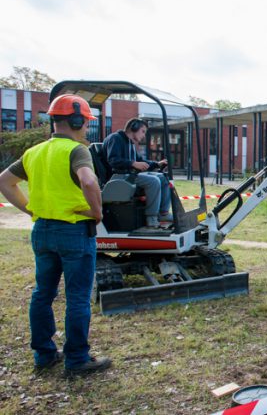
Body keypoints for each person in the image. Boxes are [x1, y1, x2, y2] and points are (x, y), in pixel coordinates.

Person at [0, 94, 111, 375]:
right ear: (76, 120)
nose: (87, 127)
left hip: (42, 231)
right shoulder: (76, 150)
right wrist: (96, 213)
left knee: (42, 294)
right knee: (76, 297)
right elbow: (88, 180)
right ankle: (76, 360)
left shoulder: (34, 152)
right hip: (74, 231)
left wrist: (31, 210)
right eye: (85, 122)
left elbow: (4, 182)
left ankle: (44, 355)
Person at [103, 118, 171, 229]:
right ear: (133, 128)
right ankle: (151, 217)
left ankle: (163, 213)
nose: (144, 135)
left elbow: (141, 161)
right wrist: (133, 163)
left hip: (129, 176)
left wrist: (157, 164)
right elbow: (113, 161)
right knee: (153, 181)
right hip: (119, 177)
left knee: (163, 177)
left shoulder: (130, 144)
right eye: (143, 131)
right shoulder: (115, 138)